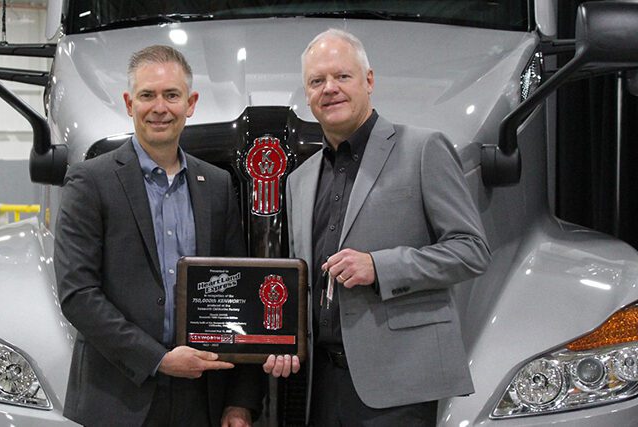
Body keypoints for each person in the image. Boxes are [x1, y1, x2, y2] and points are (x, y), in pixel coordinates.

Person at [263, 29, 491, 426]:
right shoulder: (299, 179)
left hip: (399, 381)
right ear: (307, 95)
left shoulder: (424, 148)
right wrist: (285, 340)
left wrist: (379, 266)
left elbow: (470, 250)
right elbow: (301, 282)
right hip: (318, 384)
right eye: (317, 81)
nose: (329, 89)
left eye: (342, 77)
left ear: (369, 80)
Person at [55, 45, 263, 427]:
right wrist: (157, 359)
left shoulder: (217, 185)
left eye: (171, 95)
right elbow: (77, 295)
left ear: (191, 102)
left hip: (201, 396)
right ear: (128, 102)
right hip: (117, 397)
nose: (159, 107)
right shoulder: (89, 181)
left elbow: (241, 294)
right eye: (147, 95)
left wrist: (240, 401)